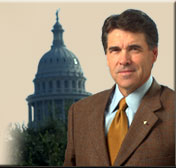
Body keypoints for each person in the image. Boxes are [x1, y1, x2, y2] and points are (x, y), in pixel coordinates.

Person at [63, 9, 175, 166]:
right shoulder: (80, 113)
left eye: (134, 49)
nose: (124, 60)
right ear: (107, 58)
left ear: (154, 54)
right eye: (115, 50)